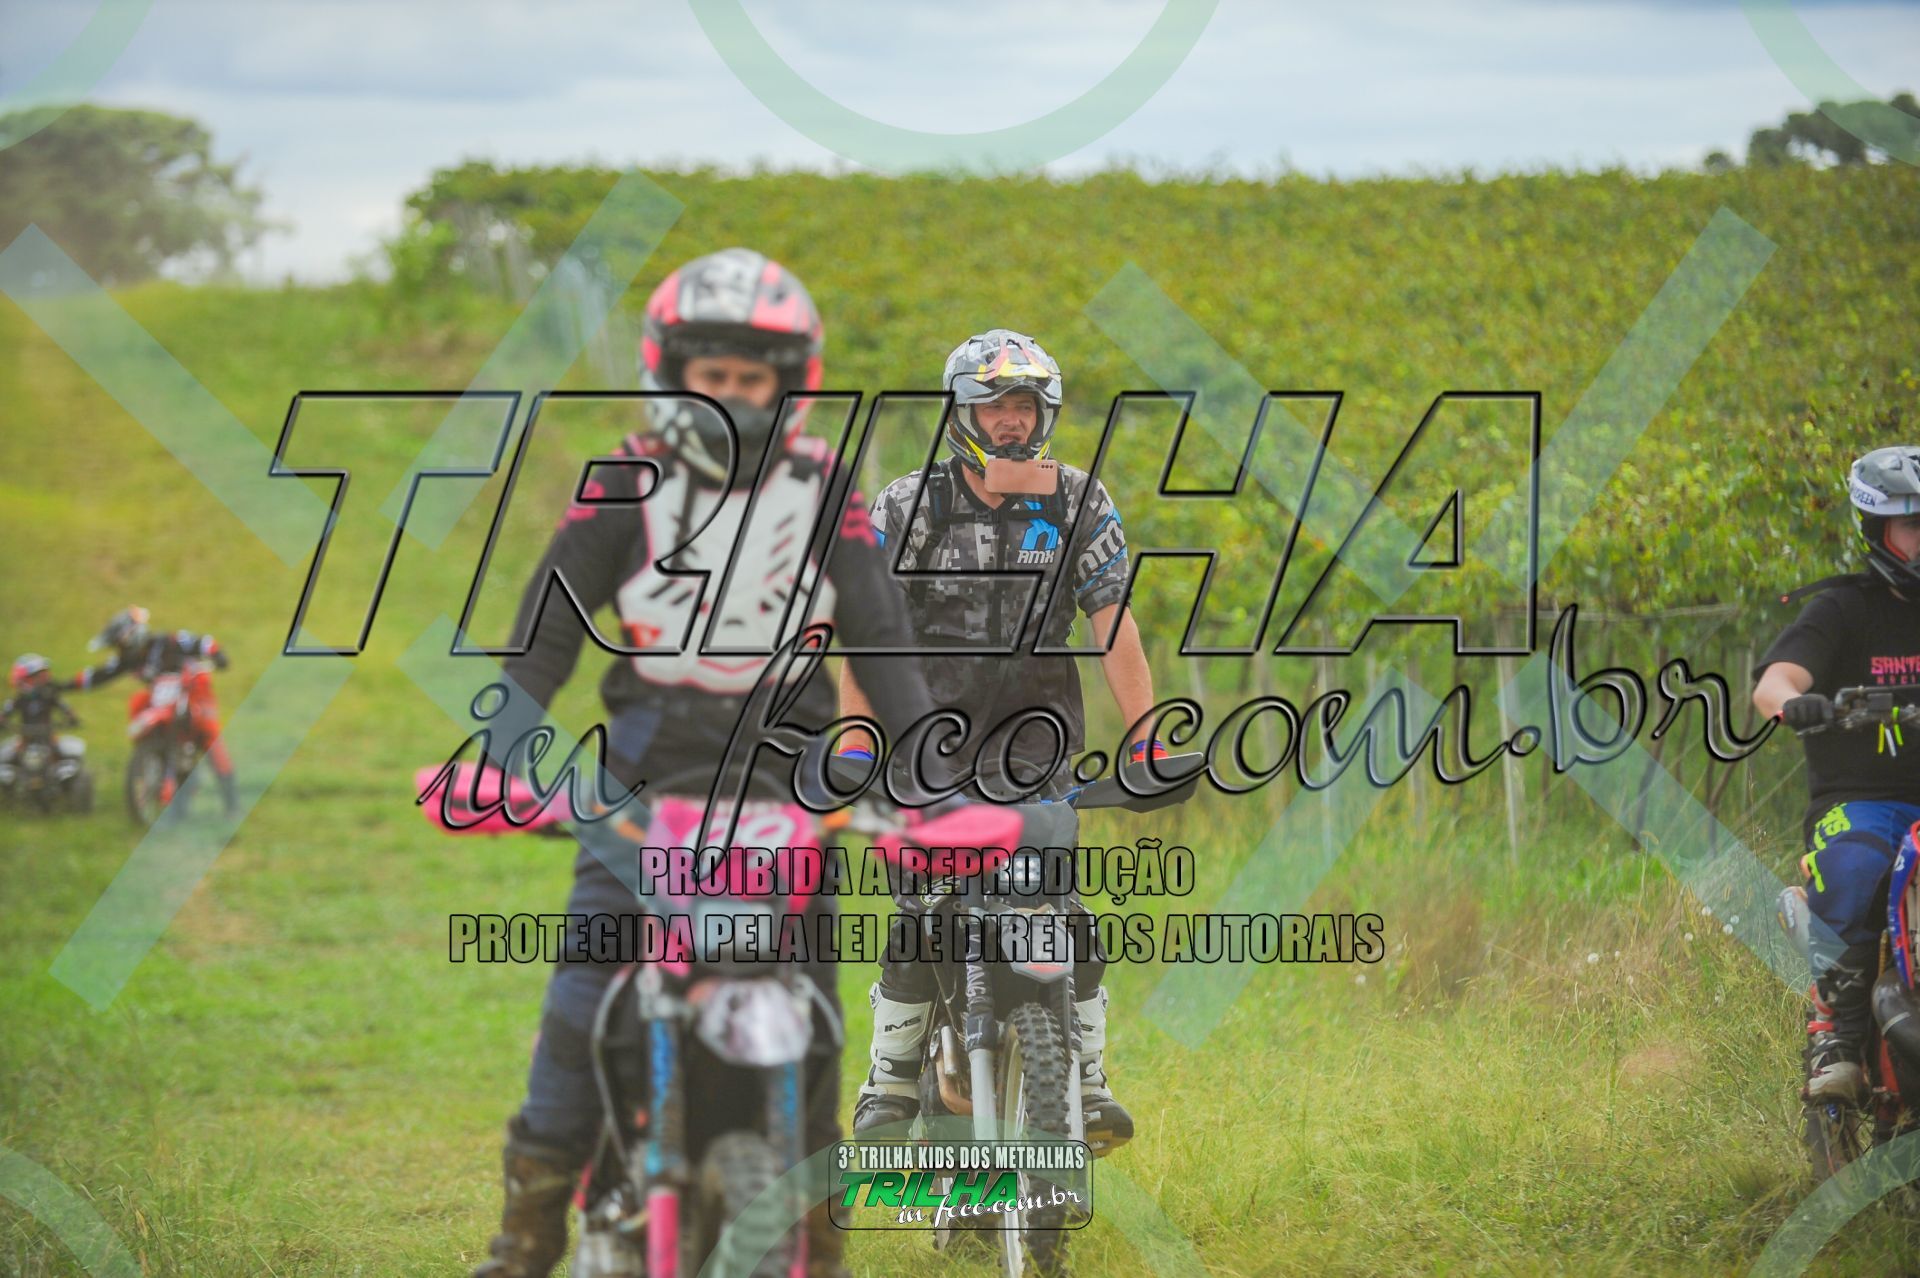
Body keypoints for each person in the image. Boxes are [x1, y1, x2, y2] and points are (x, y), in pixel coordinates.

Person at [473, 247, 981, 1278]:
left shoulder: (825, 490)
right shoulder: (621, 484)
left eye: (753, 378)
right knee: (582, 994)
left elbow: (884, 645)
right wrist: (498, 759)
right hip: (639, 787)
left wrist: (931, 790)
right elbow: (547, 633)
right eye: (713, 375)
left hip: (788, 789)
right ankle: (529, 1228)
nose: (733, 395)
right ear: (672, 375)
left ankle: (818, 1238)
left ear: (791, 385)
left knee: (819, 1015)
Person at [837, 328, 1160, 1151]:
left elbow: (1112, 622)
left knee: (1066, 913)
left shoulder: (1079, 501)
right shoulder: (906, 506)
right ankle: (891, 1073)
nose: (1012, 420)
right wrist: (855, 748)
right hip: (925, 750)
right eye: (995, 406)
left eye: (1026, 405)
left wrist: (1146, 740)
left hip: (1035, 752)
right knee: (922, 910)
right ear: (962, 414)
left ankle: (1088, 1079)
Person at [1755, 445, 1920, 1103]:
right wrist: (1794, 703)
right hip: (1860, 803)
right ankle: (1838, 1037)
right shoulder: (1841, 609)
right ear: (1877, 530)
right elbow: (1775, 680)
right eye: (1914, 525)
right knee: (1854, 868)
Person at [71, 606, 236, 816]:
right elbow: (100, 674)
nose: (119, 651)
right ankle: (149, 761)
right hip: (161, 702)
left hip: (192, 693)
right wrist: (63, 685)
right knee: (138, 703)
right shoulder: (129, 659)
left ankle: (232, 804)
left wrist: (217, 654)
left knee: (209, 735)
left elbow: (201, 643)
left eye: (120, 645)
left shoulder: (168, 642)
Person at [0, 653, 85, 778]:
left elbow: (64, 707)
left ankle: (60, 778)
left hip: (47, 734)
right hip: (26, 736)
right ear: (25, 679)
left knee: (60, 752)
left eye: (43, 676)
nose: (43, 679)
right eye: (38, 677)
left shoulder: (49, 694)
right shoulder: (20, 698)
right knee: (11, 755)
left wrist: (72, 717)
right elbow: (7, 711)